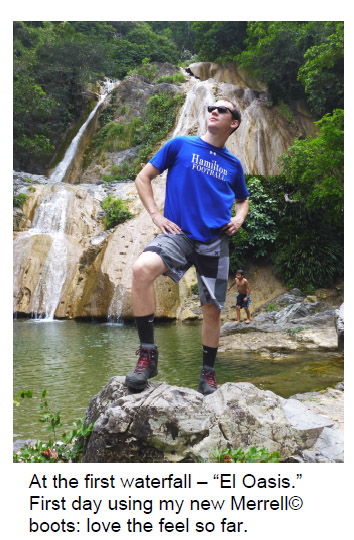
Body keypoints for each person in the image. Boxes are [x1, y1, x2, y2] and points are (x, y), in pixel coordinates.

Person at [125, 97, 249, 395]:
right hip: (178, 233)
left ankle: (207, 374)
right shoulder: (180, 145)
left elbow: (243, 198)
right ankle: (147, 356)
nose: (214, 111)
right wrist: (155, 215)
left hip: (215, 240)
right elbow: (144, 177)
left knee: (212, 310)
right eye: (211, 108)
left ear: (233, 123)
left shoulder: (233, 164)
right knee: (142, 270)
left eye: (222, 110)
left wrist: (239, 218)